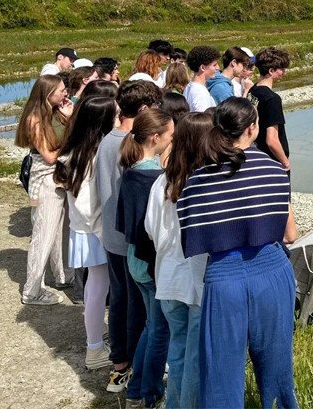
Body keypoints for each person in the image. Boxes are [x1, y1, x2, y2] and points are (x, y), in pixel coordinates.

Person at [177, 98, 298, 409]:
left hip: (223, 275)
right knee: (277, 365)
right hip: (272, 269)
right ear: (253, 128)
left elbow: (191, 241)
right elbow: (289, 234)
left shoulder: (196, 181)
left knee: (220, 372)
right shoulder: (274, 171)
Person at [95, 80, 162, 393]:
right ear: (146, 110)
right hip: (131, 240)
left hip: (110, 233)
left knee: (119, 301)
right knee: (137, 308)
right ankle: (135, 369)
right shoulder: (133, 146)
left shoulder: (107, 139)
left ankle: (118, 365)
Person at [145, 112, 212, 408]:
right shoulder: (208, 183)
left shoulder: (162, 182)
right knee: (196, 358)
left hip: (168, 276)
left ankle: (174, 404)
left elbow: (150, 231)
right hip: (197, 281)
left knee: (178, 350)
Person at [54, 96, 117, 369]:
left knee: (95, 287)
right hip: (95, 230)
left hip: (83, 228)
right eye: (113, 116)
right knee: (99, 287)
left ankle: (96, 339)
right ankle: (94, 349)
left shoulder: (75, 149)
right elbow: (90, 204)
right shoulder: (93, 155)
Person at [117, 109, 174, 409]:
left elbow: (124, 222)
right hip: (150, 263)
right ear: (156, 138)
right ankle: (150, 393)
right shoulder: (155, 178)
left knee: (151, 326)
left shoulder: (130, 170)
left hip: (133, 259)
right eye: (170, 136)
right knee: (159, 330)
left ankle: (135, 389)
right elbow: (152, 232)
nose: (172, 140)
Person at [14, 75, 74, 304]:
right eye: (60, 90)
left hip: (59, 177)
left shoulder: (57, 112)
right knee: (44, 233)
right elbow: (49, 156)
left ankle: (62, 275)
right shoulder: (35, 119)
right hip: (45, 178)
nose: (65, 93)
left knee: (61, 229)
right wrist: (70, 148)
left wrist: (68, 119)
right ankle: (32, 290)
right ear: (47, 94)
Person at [249, 47, 291, 172]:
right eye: (282, 69)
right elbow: (271, 140)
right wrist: (285, 162)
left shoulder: (253, 90)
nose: (284, 72)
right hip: (273, 160)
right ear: (271, 71)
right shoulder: (272, 99)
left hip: (257, 153)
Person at [183, 45, 220, 112]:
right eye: (214, 65)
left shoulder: (190, 86)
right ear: (203, 67)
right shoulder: (200, 92)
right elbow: (202, 119)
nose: (218, 68)